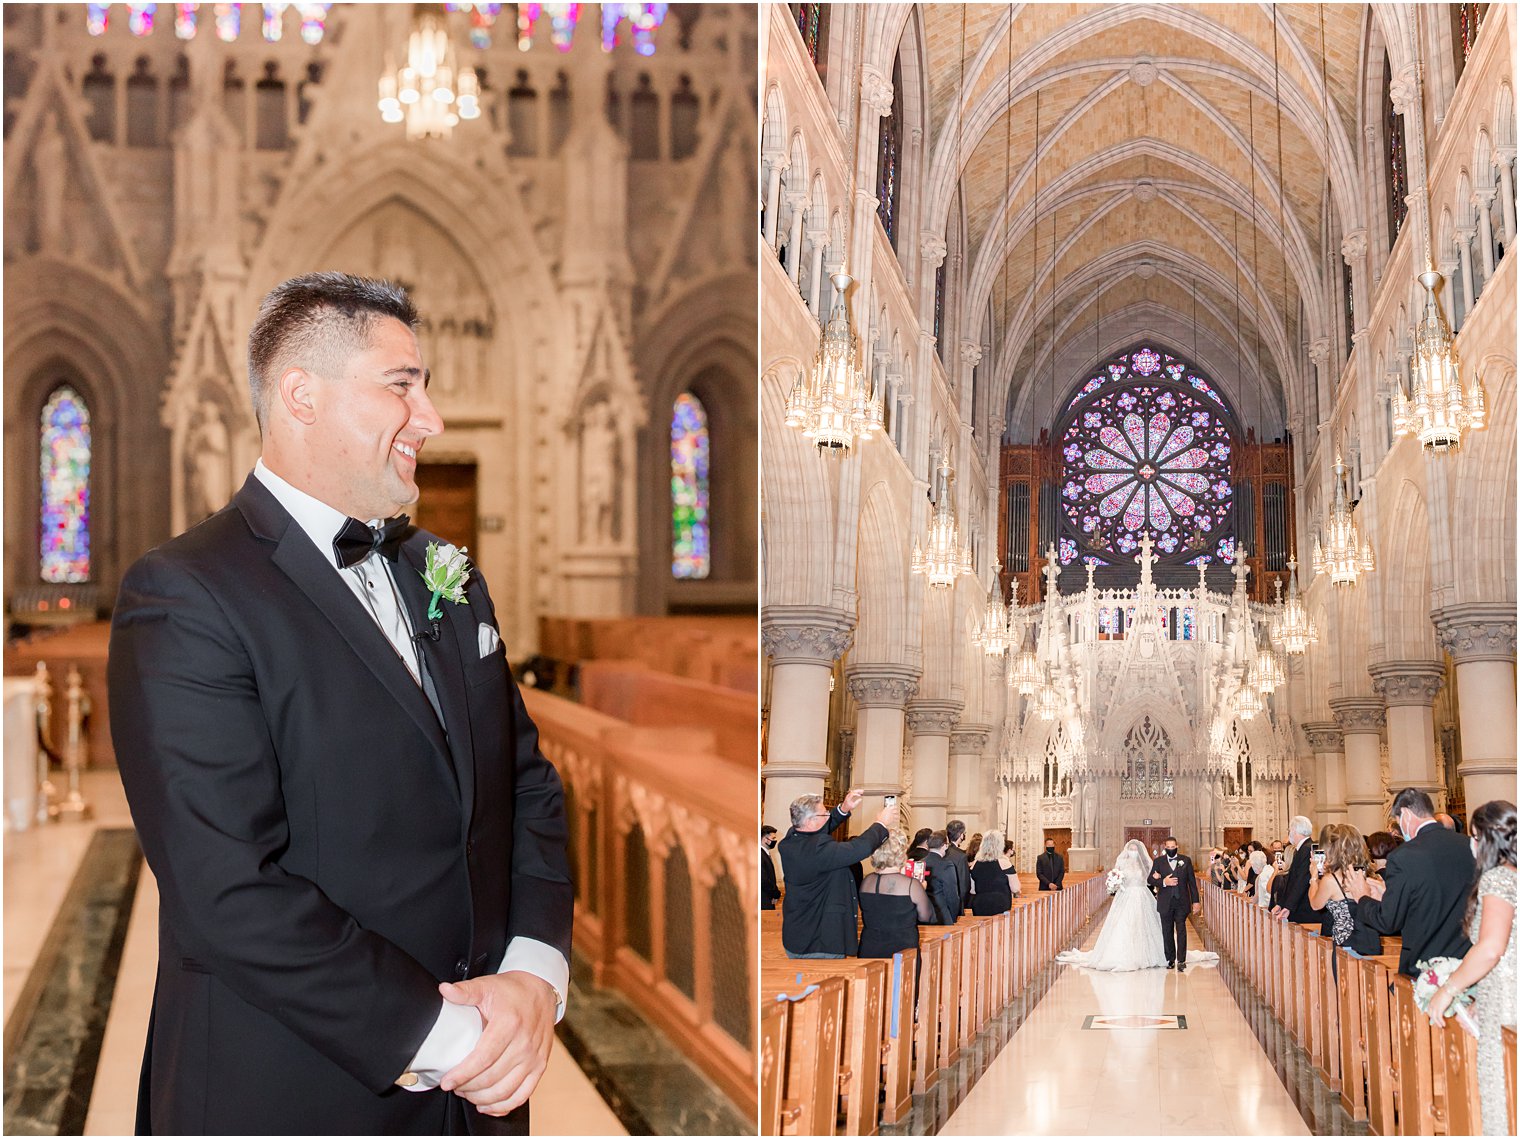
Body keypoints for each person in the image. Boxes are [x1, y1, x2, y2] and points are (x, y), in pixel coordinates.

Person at [108, 273, 573, 1134]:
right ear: (301, 395)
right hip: (293, 1088)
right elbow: (227, 888)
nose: (431, 417)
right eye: (403, 384)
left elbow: (528, 784)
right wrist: (458, 1034)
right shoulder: (185, 593)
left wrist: (534, 976)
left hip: (482, 1098)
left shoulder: (448, 576)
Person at [1424, 800, 1515, 1136]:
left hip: (1506, 1002)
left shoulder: (1497, 880)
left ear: (1488, 840)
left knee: (1499, 1098)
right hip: (1501, 993)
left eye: (1475, 837)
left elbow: (1491, 948)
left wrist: (1448, 990)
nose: (1471, 844)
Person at [1344, 787, 1475, 977]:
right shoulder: (1469, 845)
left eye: (1397, 820)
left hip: (1425, 967)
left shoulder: (1404, 855)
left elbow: (1388, 921)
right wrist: (1385, 894)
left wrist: (1362, 897)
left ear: (1404, 813)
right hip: (1466, 963)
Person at [1057, 840, 1218, 972]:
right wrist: (1115, 881)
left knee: (1162, 928)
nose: (1133, 852)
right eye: (1131, 849)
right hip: (1127, 897)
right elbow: (1143, 879)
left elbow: (1151, 880)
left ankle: (1178, 959)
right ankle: (1162, 957)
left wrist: (1158, 879)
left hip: (1145, 897)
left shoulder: (1148, 864)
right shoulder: (1127, 864)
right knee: (1129, 926)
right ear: (1127, 851)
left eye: (1136, 850)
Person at [778, 789, 896, 958]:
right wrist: (881, 824)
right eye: (824, 813)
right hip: (819, 941)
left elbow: (820, 827)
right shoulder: (818, 849)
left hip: (799, 934)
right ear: (810, 821)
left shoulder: (791, 840)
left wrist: (844, 809)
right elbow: (859, 848)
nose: (828, 816)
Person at [1307, 824, 1383, 969]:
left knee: (1346, 991)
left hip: (1346, 945)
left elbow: (1315, 904)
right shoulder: (1373, 876)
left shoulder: (1331, 880)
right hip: (1372, 942)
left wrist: (1314, 877)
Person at [858, 836, 934, 959]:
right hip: (902, 950)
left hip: (869, 948)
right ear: (900, 854)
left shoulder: (867, 881)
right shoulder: (910, 884)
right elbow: (926, 916)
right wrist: (922, 890)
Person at [1149, 836, 1202, 971]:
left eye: (1173, 847)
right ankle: (1170, 959)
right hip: (1165, 902)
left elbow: (1192, 883)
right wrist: (1163, 882)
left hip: (1182, 902)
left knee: (1181, 930)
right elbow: (1150, 879)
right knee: (1167, 932)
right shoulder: (1159, 862)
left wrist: (1196, 901)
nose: (1171, 849)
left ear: (1177, 846)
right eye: (1168, 847)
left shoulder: (1185, 860)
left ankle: (1182, 960)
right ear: (1165, 848)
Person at [1271, 815, 1325, 924]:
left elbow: (1301, 881)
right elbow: (1292, 881)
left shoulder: (1306, 849)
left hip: (1304, 909)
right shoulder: (1304, 848)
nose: (1289, 833)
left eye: (1289, 830)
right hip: (1299, 906)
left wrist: (1288, 907)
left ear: (1294, 830)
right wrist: (1281, 904)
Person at [969, 830, 1018, 915]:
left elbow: (972, 890)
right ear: (1000, 845)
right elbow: (1015, 888)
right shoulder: (1004, 863)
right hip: (1000, 904)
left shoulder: (975, 864)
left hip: (980, 904)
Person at [920, 831, 963, 925]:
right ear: (944, 845)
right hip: (942, 915)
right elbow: (952, 895)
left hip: (923, 915)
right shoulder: (946, 865)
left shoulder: (920, 863)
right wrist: (952, 917)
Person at [944, 820, 973, 912]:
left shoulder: (942, 851)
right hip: (957, 902)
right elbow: (964, 885)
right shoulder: (961, 856)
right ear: (960, 835)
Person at [761, 826, 781, 911]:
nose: (775, 841)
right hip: (763, 900)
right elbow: (763, 879)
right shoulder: (760, 854)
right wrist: (775, 893)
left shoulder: (765, 854)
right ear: (765, 839)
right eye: (773, 838)